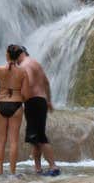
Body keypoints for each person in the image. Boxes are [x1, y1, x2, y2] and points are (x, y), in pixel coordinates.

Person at [0, 44, 28, 176]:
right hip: (16, 104)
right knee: (14, 141)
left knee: (1, 140)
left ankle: (0, 173)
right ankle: (13, 173)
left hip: (1, 104)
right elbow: (25, 93)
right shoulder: (23, 72)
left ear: (7, 55)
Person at [16, 45, 60, 176]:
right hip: (40, 101)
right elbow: (46, 82)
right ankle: (38, 169)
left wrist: (20, 99)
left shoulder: (25, 65)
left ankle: (53, 167)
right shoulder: (35, 63)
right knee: (34, 138)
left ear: (20, 54)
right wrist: (49, 101)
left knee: (40, 137)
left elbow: (27, 83)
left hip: (33, 101)